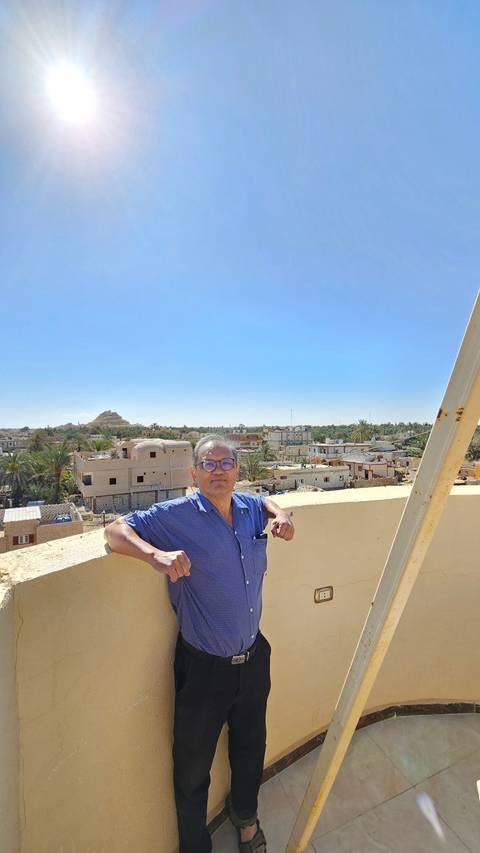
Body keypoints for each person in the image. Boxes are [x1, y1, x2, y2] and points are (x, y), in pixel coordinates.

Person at [104, 434, 295, 853]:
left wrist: (281, 513)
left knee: (250, 747)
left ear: (237, 471)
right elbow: (114, 531)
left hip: (253, 657)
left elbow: (266, 504)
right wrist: (154, 557)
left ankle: (246, 821)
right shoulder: (177, 515)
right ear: (194, 473)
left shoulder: (247, 507)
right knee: (192, 769)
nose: (219, 471)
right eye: (209, 464)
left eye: (226, 463)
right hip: (204, 667)